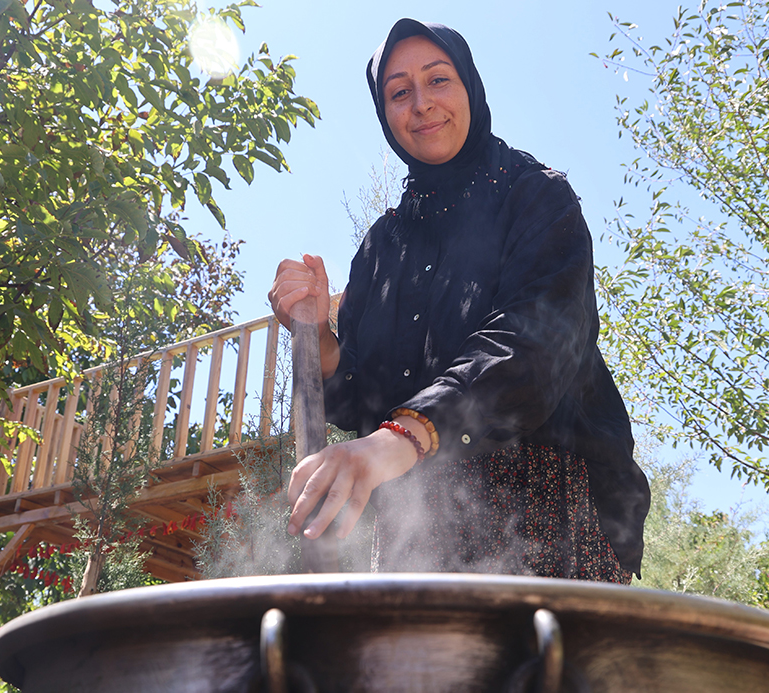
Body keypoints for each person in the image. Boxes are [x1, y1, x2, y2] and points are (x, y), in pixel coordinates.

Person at [267, 19, 649, 583]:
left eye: (438, 80)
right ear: (385, 113)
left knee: (539, 671)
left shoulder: (536, 196)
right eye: (399, 91)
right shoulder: (382, 246)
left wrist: (402, 438)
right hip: (415, 524)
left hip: (549, 510)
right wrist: (320, 333)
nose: (422, 104)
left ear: (469, 85)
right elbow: (360, 399)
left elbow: (533, 344)